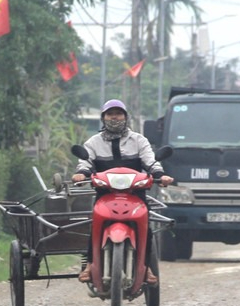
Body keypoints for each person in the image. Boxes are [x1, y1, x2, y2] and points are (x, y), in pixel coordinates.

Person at [72, 99, 173, 283]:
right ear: (103, 118)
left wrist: (160, 175)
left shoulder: (139, 140)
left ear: (126, 117)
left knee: (146, 228)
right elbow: (85, 163)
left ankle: (147, 267)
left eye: (118, 113)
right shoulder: (93, 142)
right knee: (95, 225)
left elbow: (150, 161)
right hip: (105, 194)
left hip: (135, 195)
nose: (114, 117)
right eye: (110, 114)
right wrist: (81, 174)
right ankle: (89, 265)